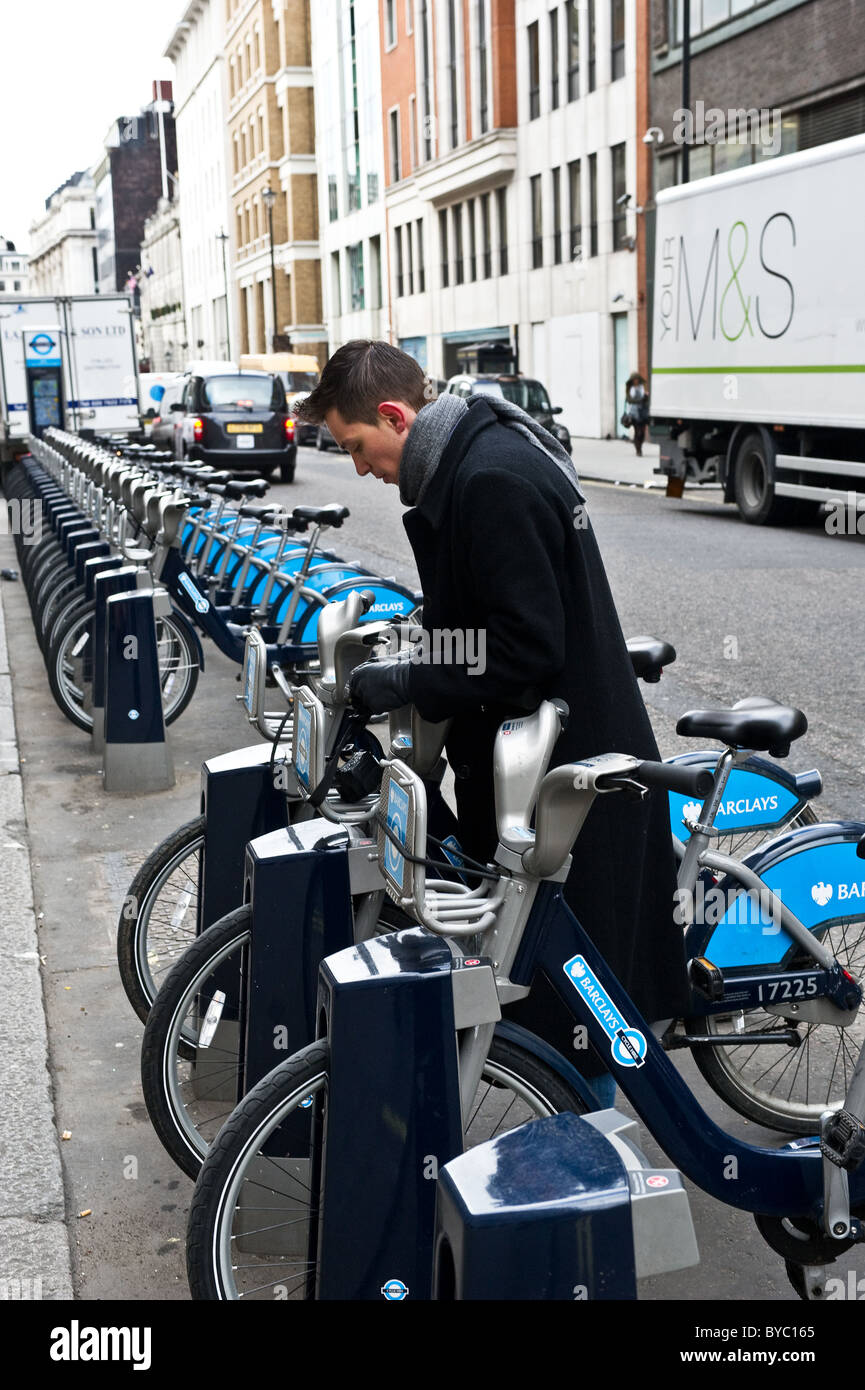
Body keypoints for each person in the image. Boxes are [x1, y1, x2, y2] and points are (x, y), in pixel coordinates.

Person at [296, 342, 688, 1104]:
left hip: (567, 781)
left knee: (577, 1015)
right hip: (533, 770)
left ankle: (581, 1187)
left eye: (354, 448)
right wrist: (412, 644)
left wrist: (409, 677)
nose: (357, 468)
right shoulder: (472, 463)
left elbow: (521, 649)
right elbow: (480, 620)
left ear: (393, 415)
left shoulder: (490, 479)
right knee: (553, 994)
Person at [623, 371, 649, 457]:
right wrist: (640, 400)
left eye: (637, 379)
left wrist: (645, 397)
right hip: (634, 413)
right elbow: (629, 400)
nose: (636, 381)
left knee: (642, 432)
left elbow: (646, 398)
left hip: (643, 412)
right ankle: (638, 449)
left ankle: (640, 445)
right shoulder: (630, 388)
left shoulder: (642, 387)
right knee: (638, 431)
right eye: (634, 380)